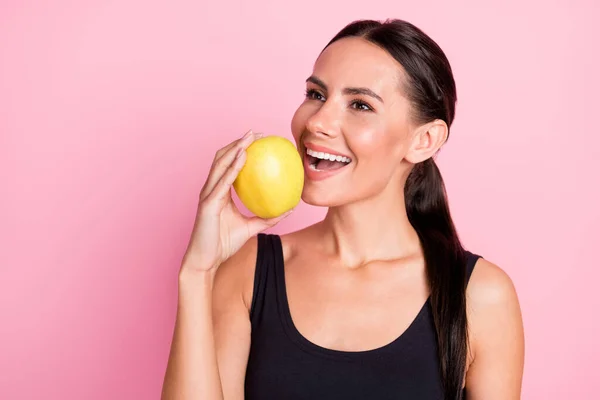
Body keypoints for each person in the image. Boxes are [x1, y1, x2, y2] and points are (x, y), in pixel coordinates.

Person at [161, 18, 525, 400]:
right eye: (316, 95)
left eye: (360, 105)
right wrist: (197, 273)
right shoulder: (250, 271)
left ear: (424, 140)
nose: (317, 122)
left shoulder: (481, 296)